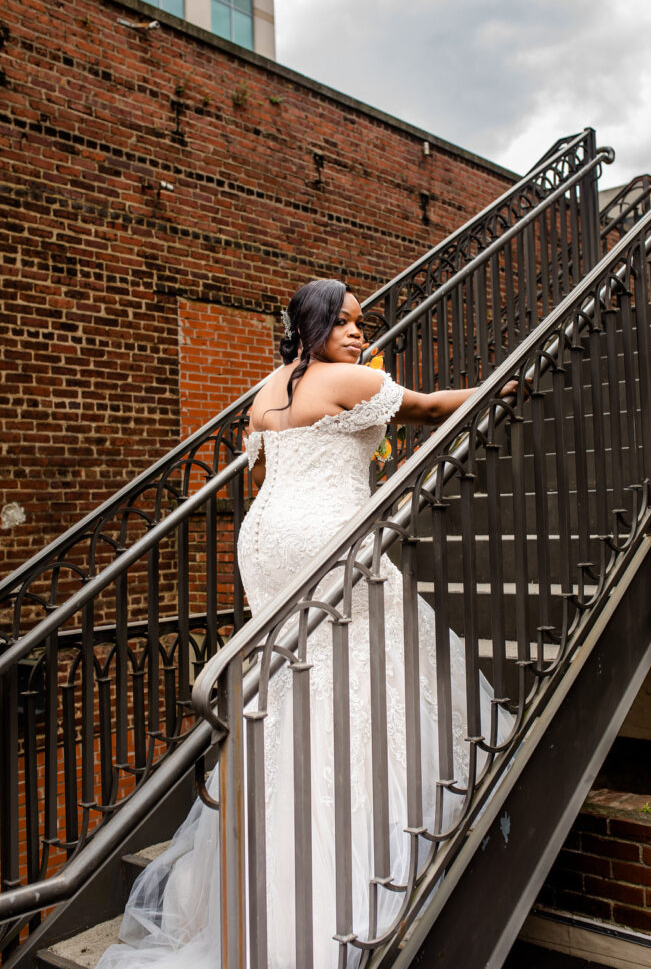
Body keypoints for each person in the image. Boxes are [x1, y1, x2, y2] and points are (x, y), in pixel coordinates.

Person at [95, 279, 514, 969]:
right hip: (321, 534)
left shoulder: (267, 387)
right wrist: (499, 385)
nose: (358, 334)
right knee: (365, 652)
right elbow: (431, 407)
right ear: (313, 326)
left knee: (298, 676)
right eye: (344, 323)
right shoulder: (347, 380)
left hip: (264, 539)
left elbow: (268, 450)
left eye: (361, 323)